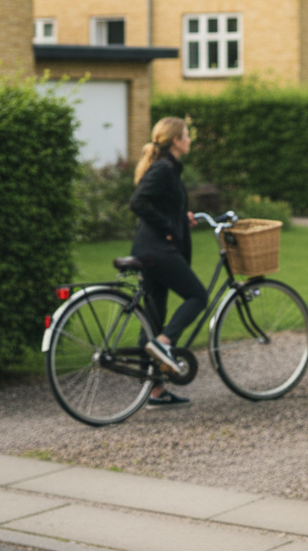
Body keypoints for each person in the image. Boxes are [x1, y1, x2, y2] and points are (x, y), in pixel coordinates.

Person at [129, 116, 207, 408]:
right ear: (175, 140)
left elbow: (161, 203)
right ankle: (165, 343)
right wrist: (169, 228)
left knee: (152, 319)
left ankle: (155, 392)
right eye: (186, 135)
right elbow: (138, 202)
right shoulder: (163, 168)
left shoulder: (168, 168)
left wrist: (180, 217)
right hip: (157, 250)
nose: (189, 140)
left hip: (150, 250)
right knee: (198, 296)